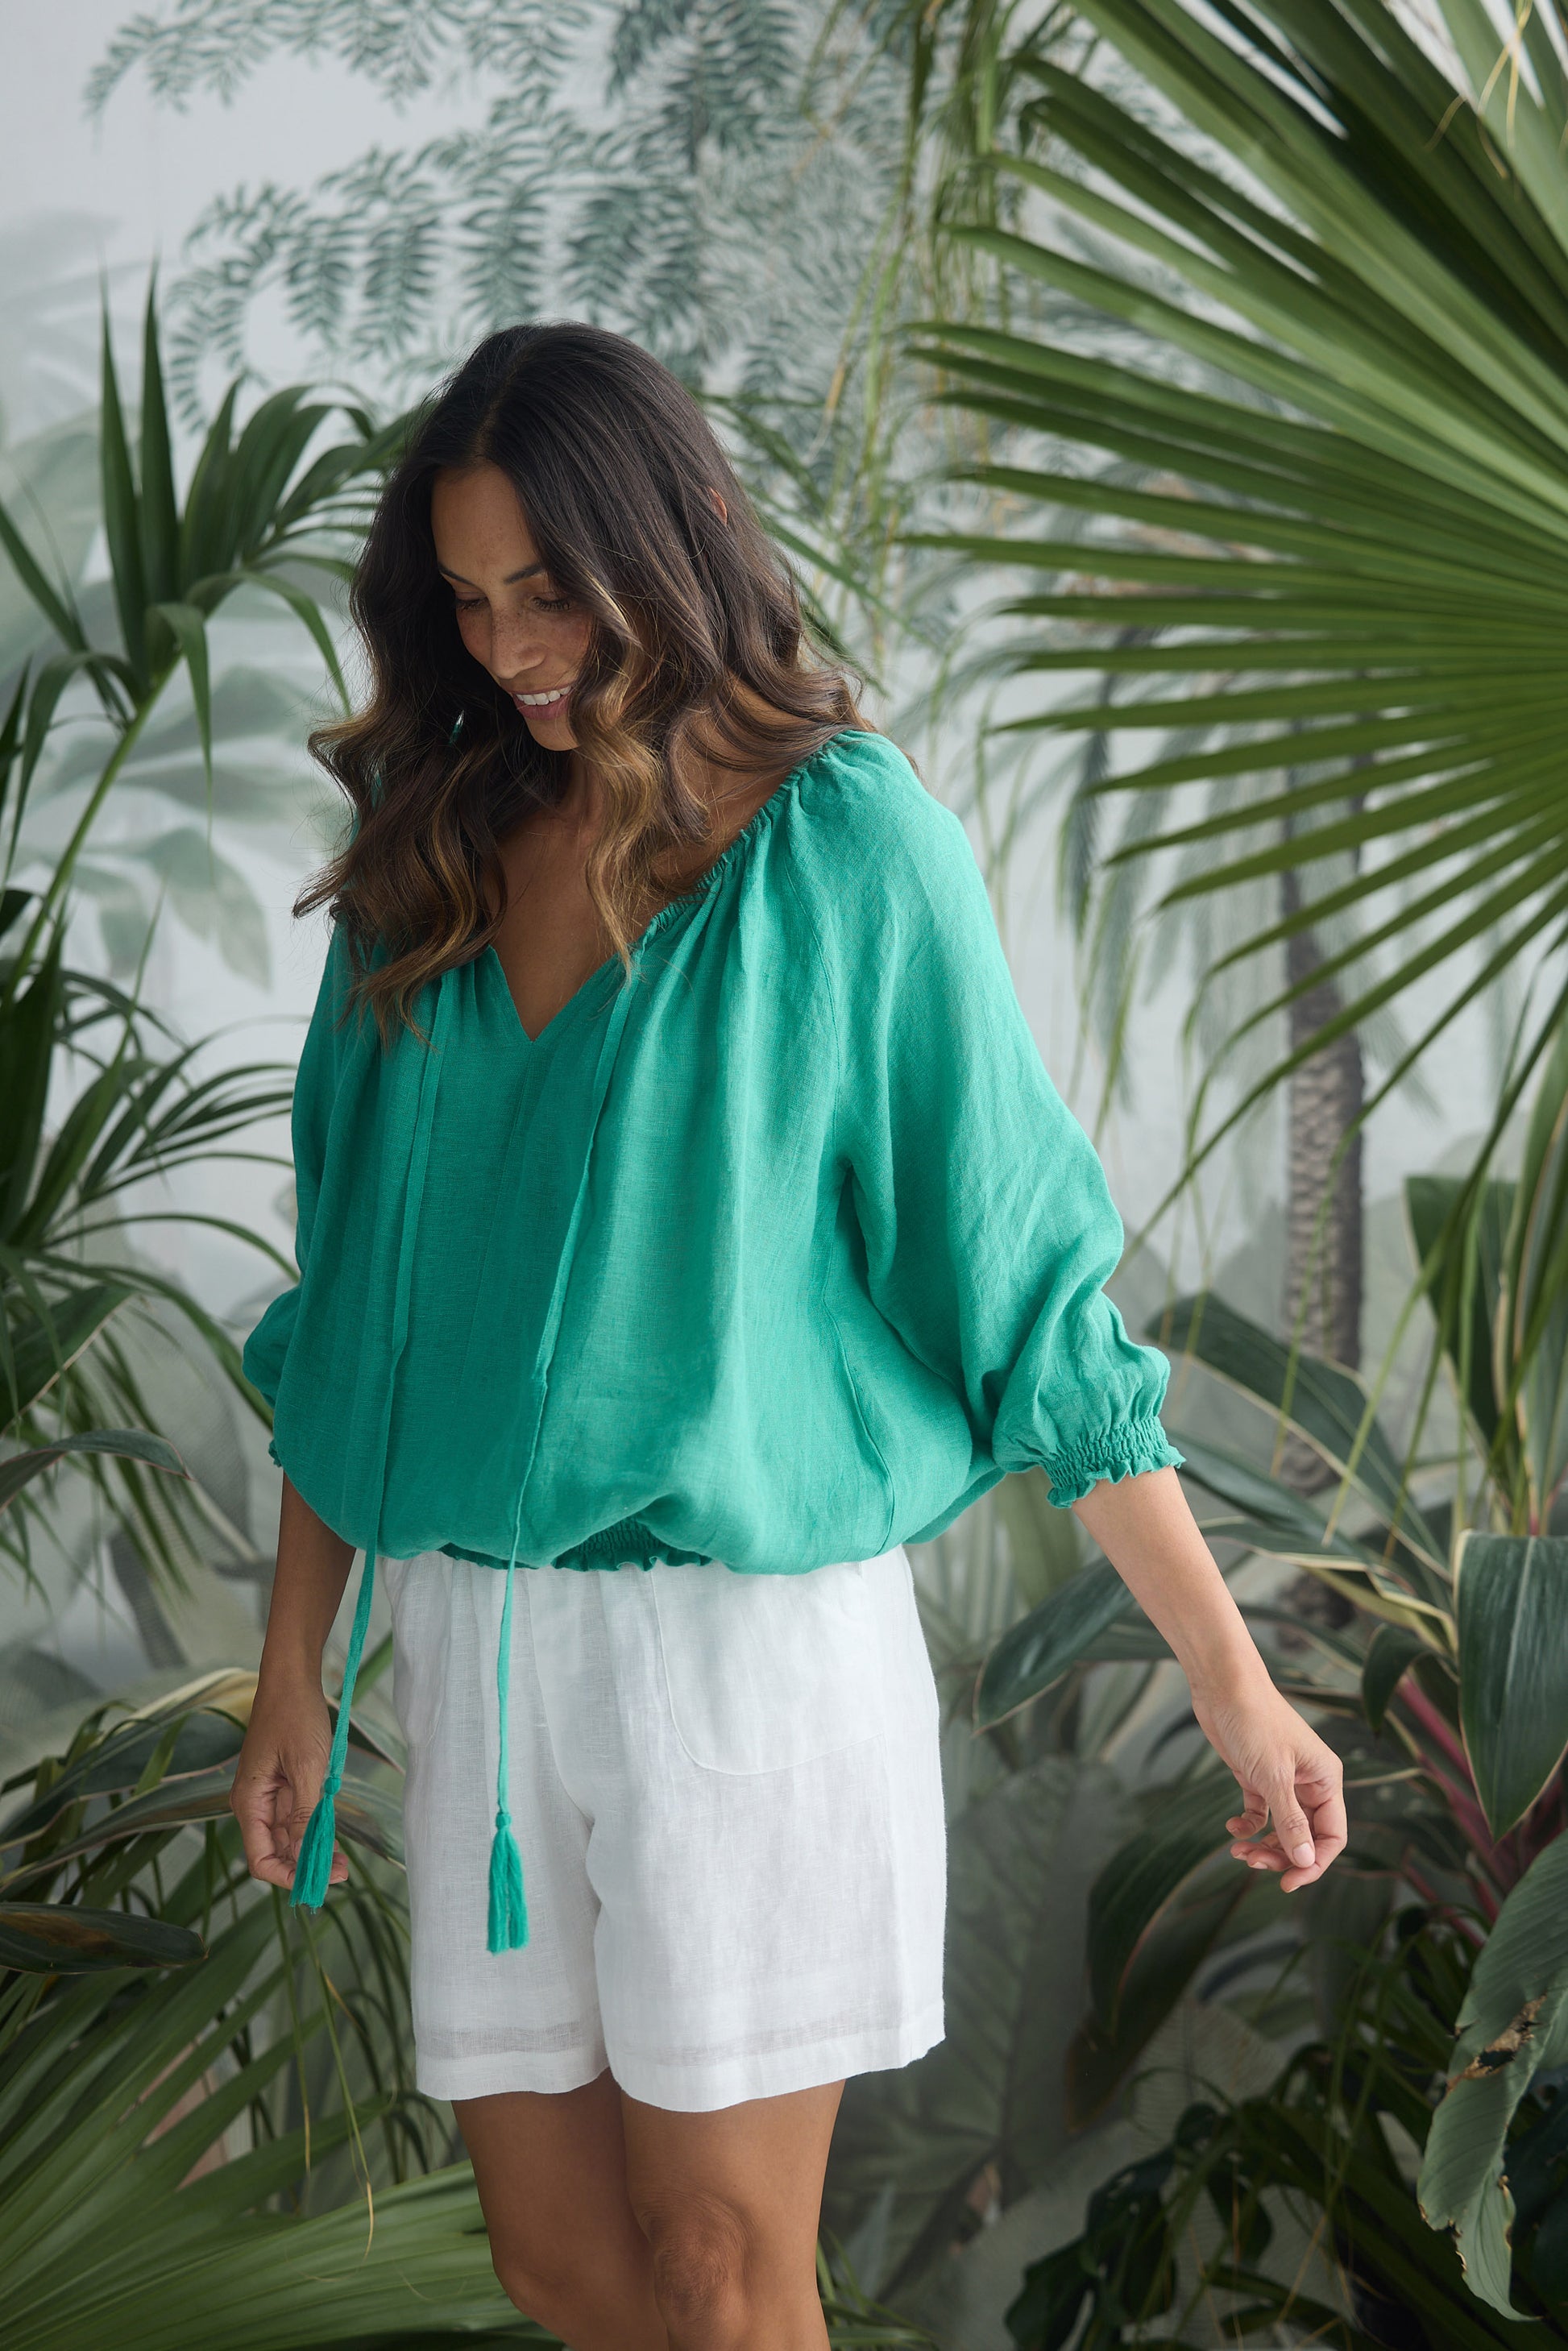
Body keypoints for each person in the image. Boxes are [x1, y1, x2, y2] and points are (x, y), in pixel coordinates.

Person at [229, 321, 1346, 2351]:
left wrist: (1234, 1685)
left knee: (723, 2275)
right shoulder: (434, 856)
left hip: (735, 1653)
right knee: (560, 2266)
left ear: (665, 540)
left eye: (548, 591)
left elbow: (1021, 1297)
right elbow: (358, 1309)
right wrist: (297, 1657)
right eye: (470, 604)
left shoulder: (847, 847)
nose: (511, 647)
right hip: (473, 1641)